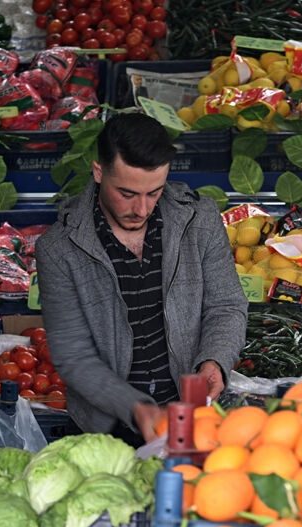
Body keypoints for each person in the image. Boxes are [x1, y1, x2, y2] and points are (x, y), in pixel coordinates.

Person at [35, 113, 247, 445]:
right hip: (108, 428)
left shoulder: (199, 220)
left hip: (193, 414)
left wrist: (214, 360)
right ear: (98, 171)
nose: (142, 208)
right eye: (127, 193)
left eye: (154, 192)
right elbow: (74, 355)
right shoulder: (59, 248)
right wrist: (136, 408)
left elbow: (226, 305)